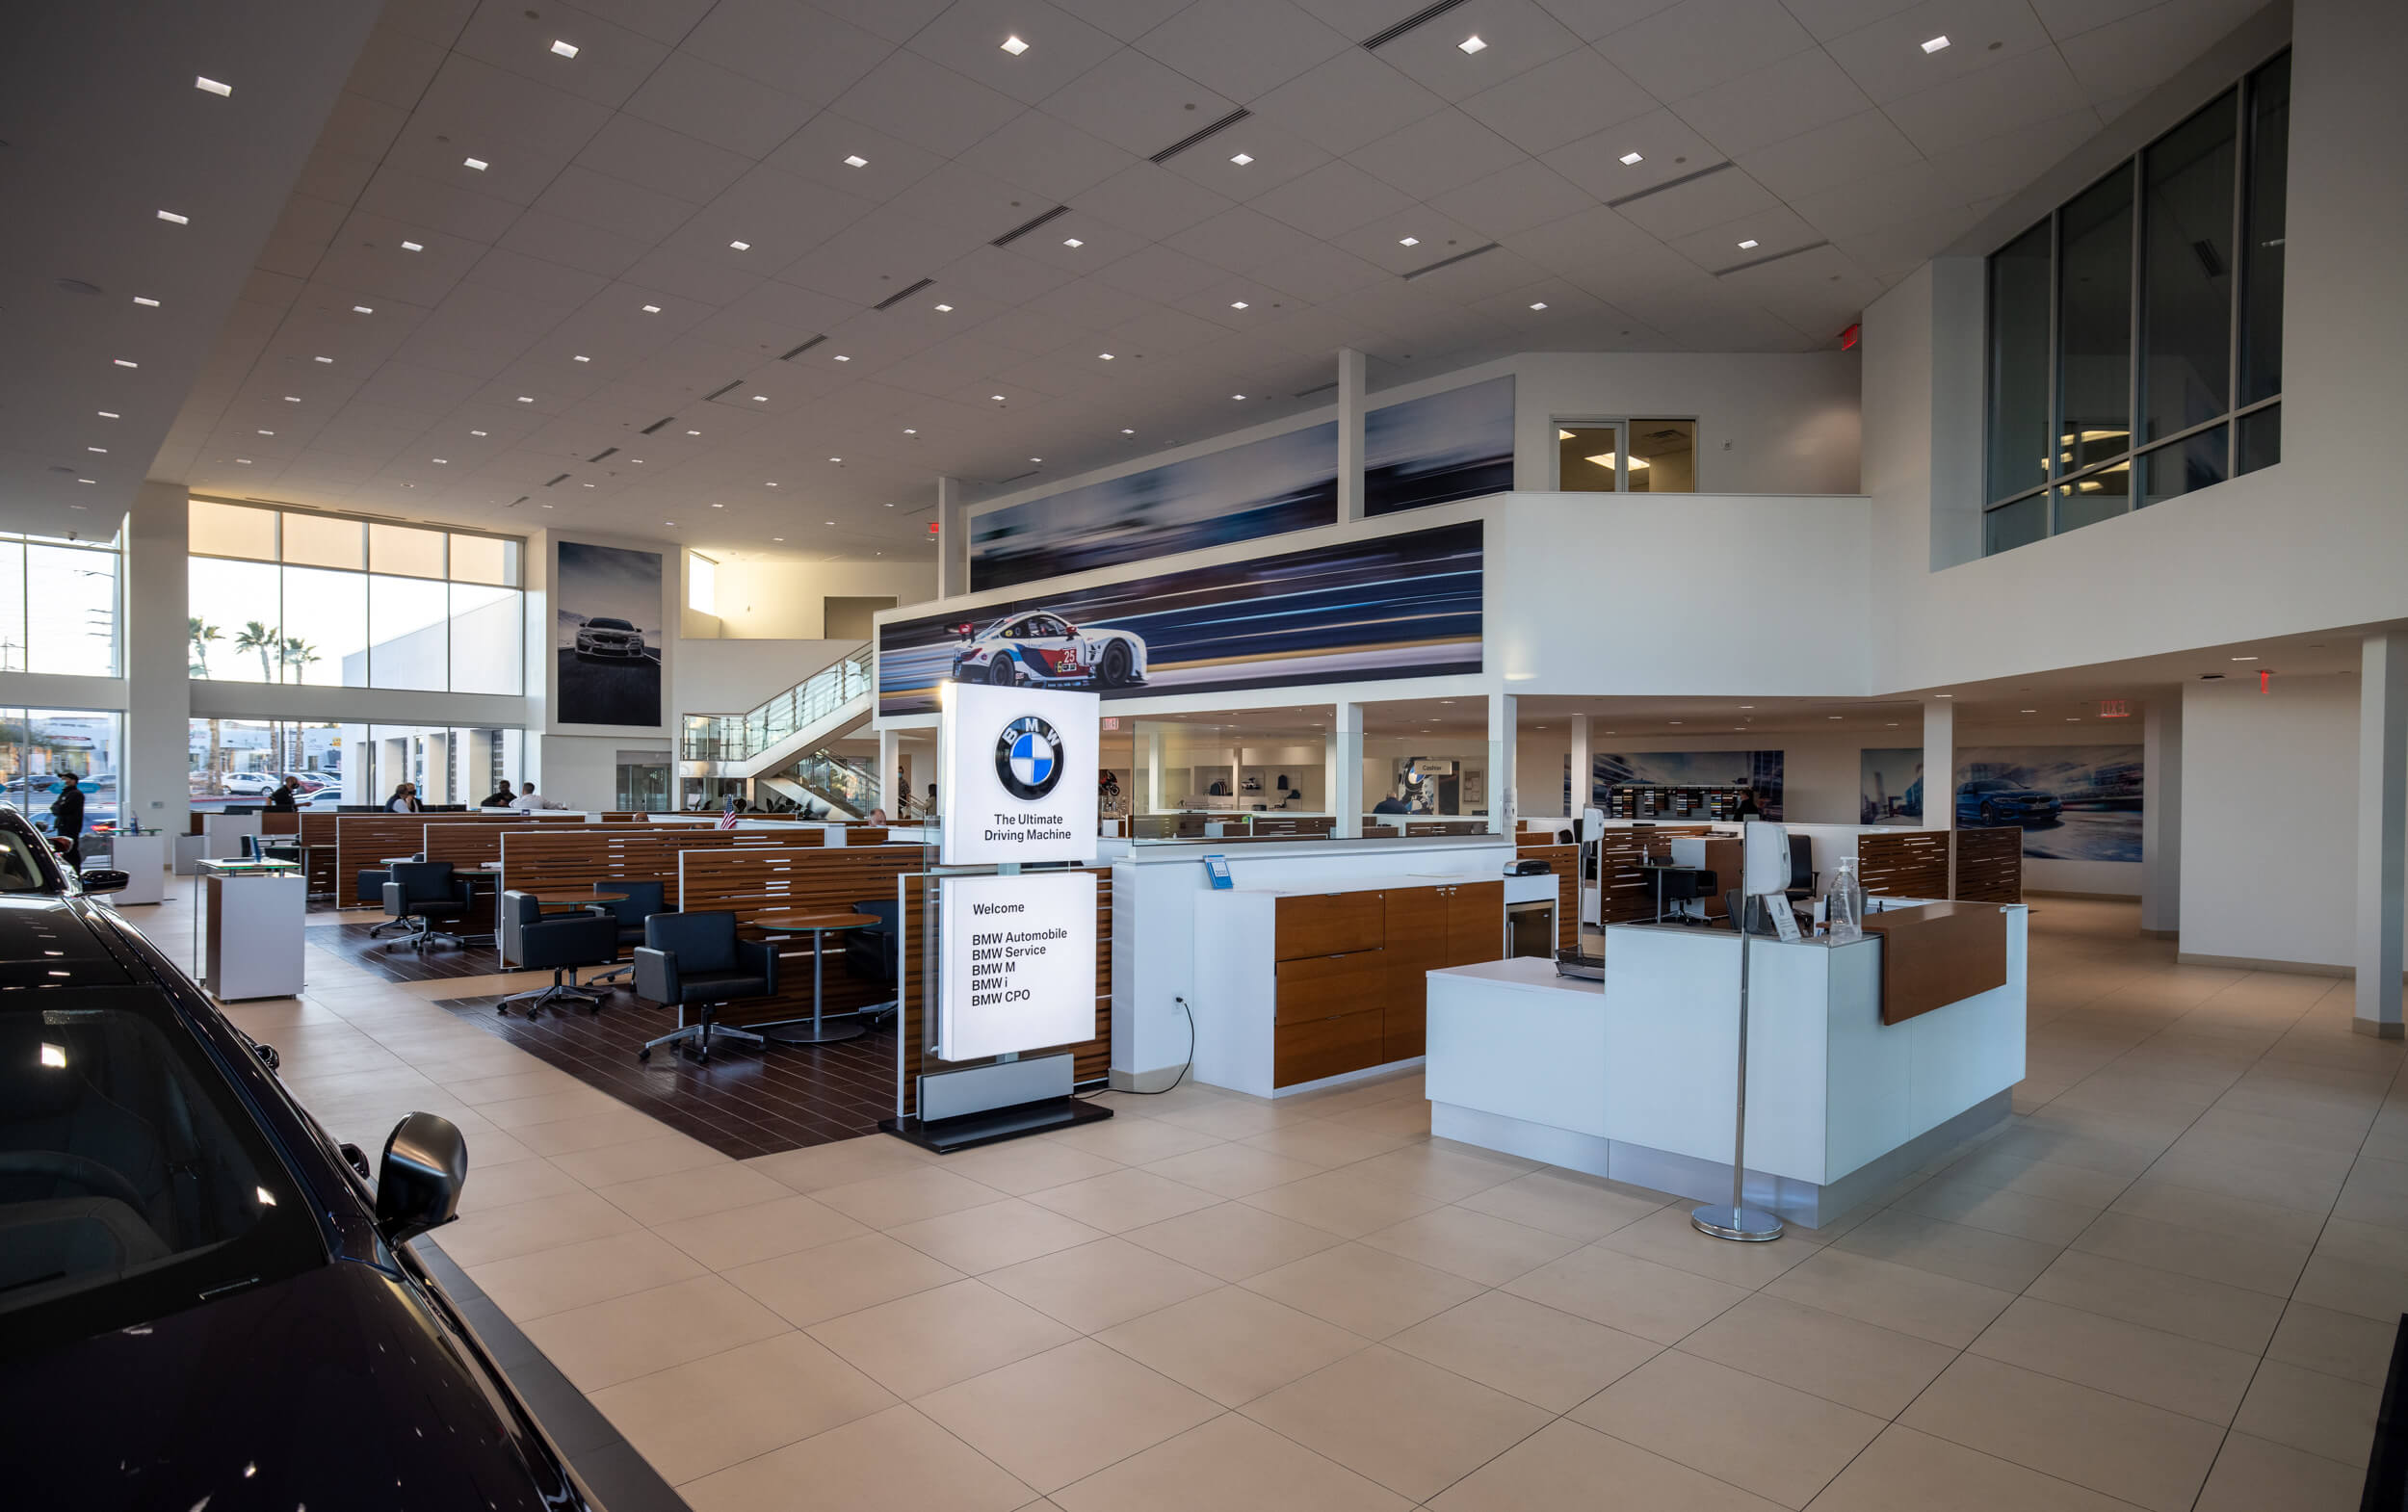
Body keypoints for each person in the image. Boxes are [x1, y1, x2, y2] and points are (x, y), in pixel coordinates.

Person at [49, 770, 86, 866]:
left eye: (65, 779)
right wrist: (58, 808)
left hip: (70, 828)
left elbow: (63, 809)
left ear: (73, 781)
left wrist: (59, 809)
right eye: (62, 779)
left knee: (71, 852)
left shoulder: (76, 794)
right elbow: (54, 807)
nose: (62, 781)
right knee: (64, 853)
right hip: (62, 826)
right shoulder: (65, 793)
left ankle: (75, 873)